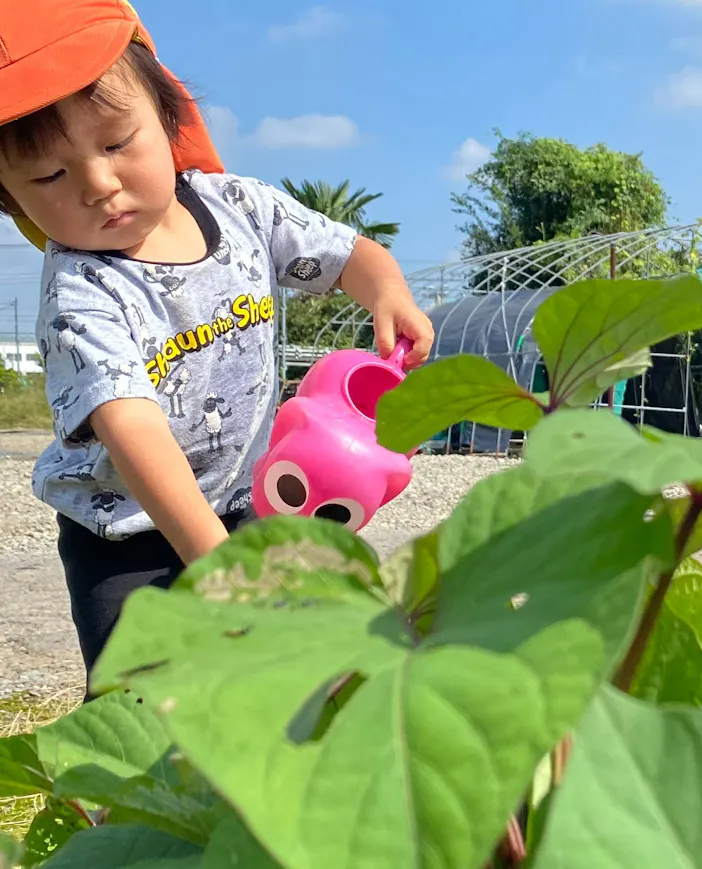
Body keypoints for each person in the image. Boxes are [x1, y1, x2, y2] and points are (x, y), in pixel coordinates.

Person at [0, 1, 434, 687]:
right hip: (129, 541)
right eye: (50, 176)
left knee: (283, 679)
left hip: (247, 500)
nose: (97, 184)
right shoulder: (81, 291)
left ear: (169, 113)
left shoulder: (241, 207)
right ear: (10, 199)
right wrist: (217, 562)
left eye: (116, 143)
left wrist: (386, 291)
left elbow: (349, 253)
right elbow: (130, 427)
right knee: (147, 712)